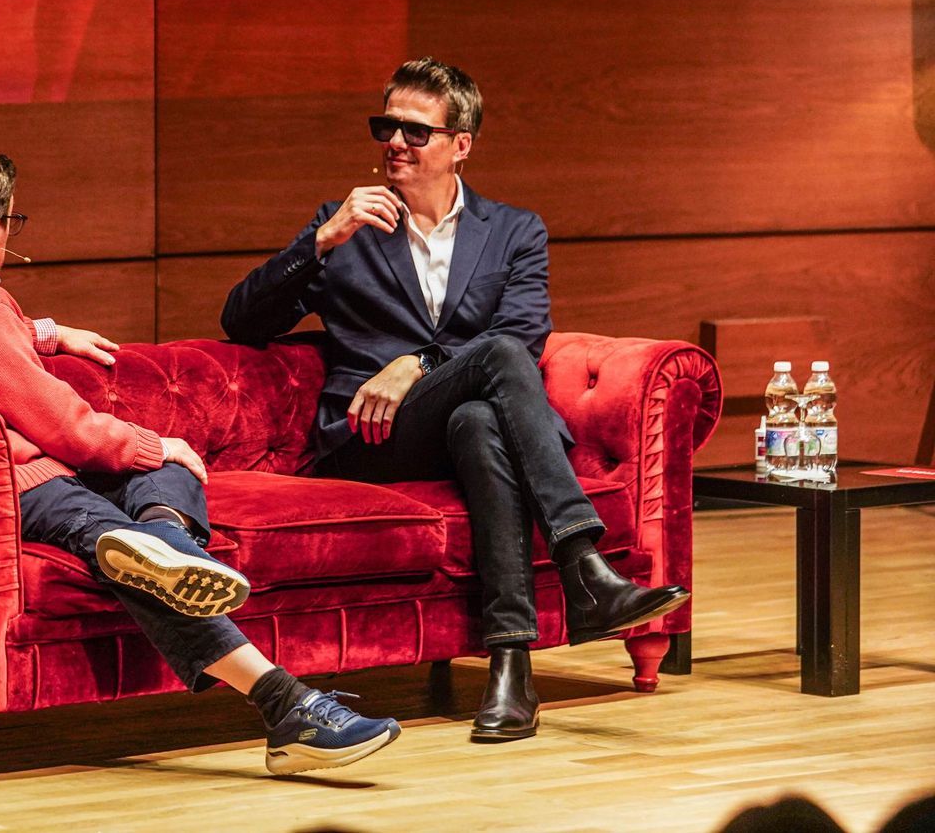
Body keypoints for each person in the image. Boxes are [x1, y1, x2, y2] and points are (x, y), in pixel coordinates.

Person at [0, 143, 400, 774]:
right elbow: (60, 421)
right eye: (12, 224)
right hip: (15, 481)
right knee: (161, 465)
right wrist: (145, 441)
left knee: (166, 475)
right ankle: (287, 704)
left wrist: (47, 334)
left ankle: (161, 547)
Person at [221, 59, 690, 743]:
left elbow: (525, 332)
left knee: (477, 421)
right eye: (387, 126)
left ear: (461, 143)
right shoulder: (346, 229)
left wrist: (418, 362)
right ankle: (585, 567)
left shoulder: (513, 232)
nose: (396, 142)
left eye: (416, 130)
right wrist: (318, 242)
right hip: (373, 438)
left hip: (472, 424)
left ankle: (510, 669)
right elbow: (242, 322)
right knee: (494, 360)